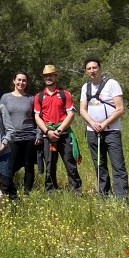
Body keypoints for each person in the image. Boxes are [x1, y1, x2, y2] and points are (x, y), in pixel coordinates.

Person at [80, 57, 128, 199]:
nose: (92, 71)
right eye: (89, 69)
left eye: (94, 68)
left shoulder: (112, 84)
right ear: (86, 71)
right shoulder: (85, 87)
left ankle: (122, 198)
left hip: (111, 131)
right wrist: (92, 123)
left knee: (118, 165)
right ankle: (104, 196)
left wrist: (104, 123)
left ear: (100, 68)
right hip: (93, 132)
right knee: (99, 165)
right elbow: (82, 109)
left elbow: (120, 109)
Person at [33, 65, 81, 194]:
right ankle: (51, 191)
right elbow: (37, 116)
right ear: (43, 78)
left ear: (56, 76)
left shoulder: (65, 94)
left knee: (70, 164)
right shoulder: (39, 96)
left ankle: (76, 192)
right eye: (46, 75)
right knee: (49, 165)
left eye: (51, 75)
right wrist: (48, 132)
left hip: (64, 135)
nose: (48, 77)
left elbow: (71, 114)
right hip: (47, 136)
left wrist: (59, 130)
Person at [3, 72, 40, 195]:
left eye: (24, 80)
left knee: (29, 166)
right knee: (11, 166)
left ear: (27, 82)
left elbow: (37, 117)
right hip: (13, 138)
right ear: (14, 81)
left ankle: (27, 193)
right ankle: (10, 191)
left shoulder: (31, 98)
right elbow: (1, 117)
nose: (21, 83)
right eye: (19, 80)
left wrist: (39, 134)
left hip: (29, 136)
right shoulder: (6, 97)